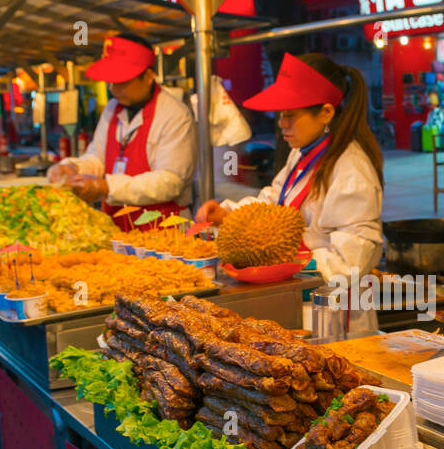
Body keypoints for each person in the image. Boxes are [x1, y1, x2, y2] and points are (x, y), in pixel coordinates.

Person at [194, 53, 385, 331]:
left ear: (326, 112)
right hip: (302, 303)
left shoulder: (351, 170)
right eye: (281, 114)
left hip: (336, 315)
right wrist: (229, 214)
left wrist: (287, 262)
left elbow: (353, 259)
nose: (282, 123)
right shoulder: (302, 153)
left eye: (291, 115)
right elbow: (274, 202)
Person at [47, 32, 198, 228]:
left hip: (164, 229)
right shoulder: (111, 109)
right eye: (111, 81)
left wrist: (106, 187)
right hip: (116, 226)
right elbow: (97, 157)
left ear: (149, 76)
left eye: (123, 82)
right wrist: (74, 168)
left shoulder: (175, 115)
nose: (113, 88)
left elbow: (170, 182)